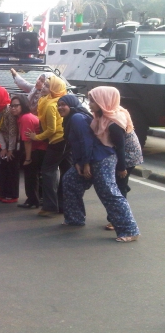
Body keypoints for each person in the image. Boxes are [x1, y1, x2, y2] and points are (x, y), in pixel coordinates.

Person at [58, 94, 140, 242]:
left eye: (63, 104)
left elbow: (86, 142)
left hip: (101, 158)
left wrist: (86, 163)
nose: (60, 107)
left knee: (108, 192)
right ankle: (75, 218)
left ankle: (130, 230)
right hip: (88, 159)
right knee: (70, 181)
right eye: (58, 105)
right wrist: (78, 162)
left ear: (72, 105)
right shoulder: (71, 119)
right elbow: (75, 145)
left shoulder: (77, 118)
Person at [87, 86, 143, 231]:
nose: (89, 104)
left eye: (93, 101)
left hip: (128, 155)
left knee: (119, 186)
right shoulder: (106, 114)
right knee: (117, 184)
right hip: (120, 153)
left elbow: (121, 147)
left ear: (103, 101)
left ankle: (116, 219)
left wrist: (122, 167)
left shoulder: (114, 123)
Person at [26, 76, 71, 216]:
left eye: (47, 86)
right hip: (62, 141)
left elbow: (51, 129)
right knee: (65, 172)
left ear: (54, 89)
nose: (43, 87)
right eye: (44, 85)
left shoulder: (53, 105)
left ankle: (50, 206)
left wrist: (36, 137)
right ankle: (62, 206)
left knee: (48, 172)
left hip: (58, 141)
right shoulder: (48, 100)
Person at [10, 94, 48, 208]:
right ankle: (35, 200)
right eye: (11, 106)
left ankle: (32, 201)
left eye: (16, 105)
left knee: (30, 176)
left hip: (36, 150)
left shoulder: (25, 118)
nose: (13, 108)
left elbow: (28, 141)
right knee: (34, 176)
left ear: (23, 105)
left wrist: (28, 158)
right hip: (38, 150)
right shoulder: (25, 116)